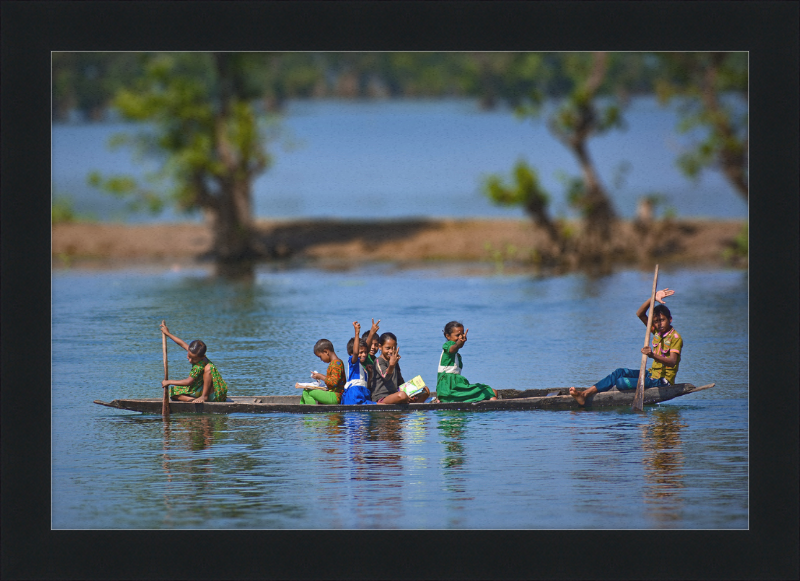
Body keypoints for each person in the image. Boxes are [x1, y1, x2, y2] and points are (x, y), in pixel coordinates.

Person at [569, 288, 682, 406]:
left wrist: (652, 355)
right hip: (651, 374)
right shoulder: (657, 332)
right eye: (656, 321)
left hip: (662, 381)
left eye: (663, 320)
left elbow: (672, 362)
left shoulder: (675, 338)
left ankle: (588, 394)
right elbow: (640, 314)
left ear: (670, 319)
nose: (660, 324)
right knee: (619, 372)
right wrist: (652, 298)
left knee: (621, 382)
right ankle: (585, 394)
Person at [159, 322, 228, 402]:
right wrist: (168, 333)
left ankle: (203, 397)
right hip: (199, 388)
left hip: (213, 394)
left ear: (203, 357)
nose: (190, 360)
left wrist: (169, 382)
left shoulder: (199, 365)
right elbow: (181, 343)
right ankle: (192, 400)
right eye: (189, 356)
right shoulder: (195, 353)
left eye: (194, 359)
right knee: (173, 391)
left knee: (209, 368)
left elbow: (189, 382)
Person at [436, 322, 497, 403]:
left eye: (462, 335)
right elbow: (453, 348)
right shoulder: (448, 346)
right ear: (448, 336)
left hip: (453, 389)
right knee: (489, 391)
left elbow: (457, 347)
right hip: (449, 390)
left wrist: (460, 343)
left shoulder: (457, 355)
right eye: (457, 335)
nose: (460, 338)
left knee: (492, 391)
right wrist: (458, 343)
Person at [370, 332, 430, 404]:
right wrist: (391, 365)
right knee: (402, 395)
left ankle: (413, 408)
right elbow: (385, 376)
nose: (391, 351)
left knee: (425, 390)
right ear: (380, 347)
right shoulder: (378, 361)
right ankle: (407, 405)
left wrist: (409, 393)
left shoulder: (394, 361)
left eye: (393, 348)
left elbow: (400, 381)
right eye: (388, 348)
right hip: (382, 397)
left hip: (395, 394)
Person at [296, 339, 346, 405]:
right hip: (332, 394)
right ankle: (302, 409)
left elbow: (334, 383)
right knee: (306, 391)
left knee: (306, 392)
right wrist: (319, 376)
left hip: (336, 396)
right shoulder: (336, 363)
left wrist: (320, 376)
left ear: (326, 351)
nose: (321, 359)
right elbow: (332, 380)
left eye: (320, 356)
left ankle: (312, 413)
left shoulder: (336, 364)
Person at [341, 321, 377, 405]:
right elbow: (356, 353)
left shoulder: (364, 370)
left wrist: (371, 373)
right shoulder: (353, 363)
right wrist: (357, 333)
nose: (364, 354)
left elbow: (366, 386)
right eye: (361, 352)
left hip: (362, 396)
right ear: (351, 353)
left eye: (365, 352)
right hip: (353, 397)